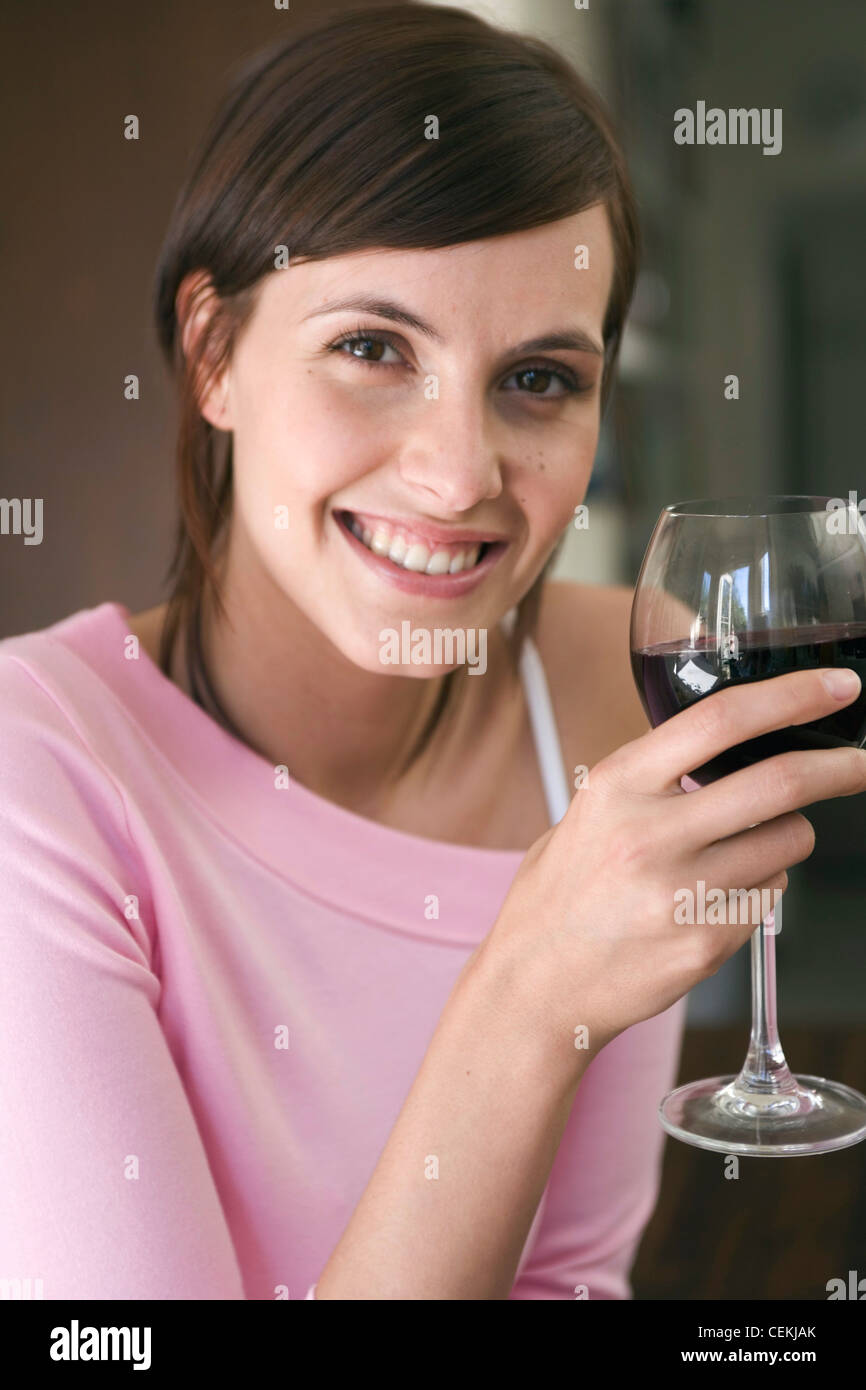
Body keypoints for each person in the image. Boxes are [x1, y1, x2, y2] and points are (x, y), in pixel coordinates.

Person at [2, 3, 864, 1302]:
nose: (460, 474)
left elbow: (568, 1281)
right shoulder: (38, 778)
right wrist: (524, 1002)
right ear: (213, 354)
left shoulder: (611, 691)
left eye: (536, 379)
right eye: (370, 347)